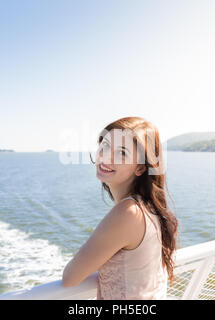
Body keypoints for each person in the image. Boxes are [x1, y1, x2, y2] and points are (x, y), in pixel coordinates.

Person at [62, 116, 179, 299]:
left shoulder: (128, 213)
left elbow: (70, 277)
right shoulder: (150, 209)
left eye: (122, 153)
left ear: (140, 168)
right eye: (106, 146)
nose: (107, 156)